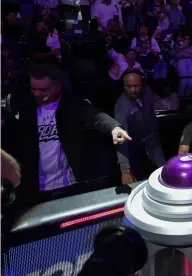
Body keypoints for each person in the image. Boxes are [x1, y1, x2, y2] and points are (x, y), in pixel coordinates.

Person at [1, 64, 131, 204]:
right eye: (34, 89)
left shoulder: (72, 104)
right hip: (36, 188)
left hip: (71, 184)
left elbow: (95, 116)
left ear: (58, 87)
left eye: (43, 90)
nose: (37, 94)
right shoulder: (25, 108)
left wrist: (115, 128)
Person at [114, 69, 166, 184]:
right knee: (135, 179)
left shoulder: (147, 91)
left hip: (152, 138)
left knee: (164, 172)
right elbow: (121, 139)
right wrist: (125, 170)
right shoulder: (121, 106)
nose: (133, 90)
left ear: (143, 84)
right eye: (129, 86)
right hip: (133, 143)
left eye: (136, 86)